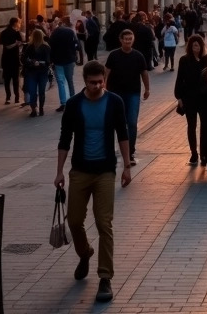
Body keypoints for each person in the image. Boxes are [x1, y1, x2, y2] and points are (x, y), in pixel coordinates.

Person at [55, 61, 132, 304]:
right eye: (92, 82)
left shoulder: (114, 102)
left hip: (105, 172)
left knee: (104, 223)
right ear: (84, 81)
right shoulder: (74, 105)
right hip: (79, 171)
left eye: (101, 81)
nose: (97, 86)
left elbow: (123, 133)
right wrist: (59, 172)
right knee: (75, 221)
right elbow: (65, 138)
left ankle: (105, 278)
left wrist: (127, 166)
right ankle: (85, 253)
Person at [103, 29, 150, 167]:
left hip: (133, 93)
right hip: (115, 94)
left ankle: (130, 152)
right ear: (121, 40)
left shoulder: (138, 56)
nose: (128, 41)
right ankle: (111, 150)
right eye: (126, 39)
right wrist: (104, 86)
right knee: (115, 123)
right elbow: (106, 72)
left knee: (132, 122)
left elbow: (144, 73)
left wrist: (147, 89)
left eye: (130, 39)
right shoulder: (114, 55)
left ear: (133, 39)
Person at [175, 36, 207, 165]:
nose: (197, 48)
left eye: (198, 45)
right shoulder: (184, 60)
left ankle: (204, 153)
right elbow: (179, 79)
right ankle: (194, 153)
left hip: (204, 97)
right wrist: (179, 97)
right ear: (190, 47)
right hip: (189, 97)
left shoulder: (206, 60)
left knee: (205, 126)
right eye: (194, 45)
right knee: (191, 126)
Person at [49, 18, 85, 112]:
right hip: (69, 59)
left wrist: (51, 60)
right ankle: (72, 100)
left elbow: (51, 47)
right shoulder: (70, 32)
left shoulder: (54, 34)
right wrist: (77, 57)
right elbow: (77, 45)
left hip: (58, 60)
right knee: (70, 80)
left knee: (61, 82)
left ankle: (63, 103)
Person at [22, 28, 52, 116]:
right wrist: (39, 63)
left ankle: (34, 109)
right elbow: (48, 61)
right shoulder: (46, 47)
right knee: (41, 91)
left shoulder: (29, 47)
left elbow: (24, 59)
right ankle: (41, 109)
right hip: (42, 72)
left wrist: (32, 62)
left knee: (32, 91)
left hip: (32, 72)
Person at [0, 17, 24, 105]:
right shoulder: (16, 33)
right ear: (15, 23)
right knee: (15, 79)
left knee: (7, 79)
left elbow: (4, 45)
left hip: (5, 58)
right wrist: (16, 44)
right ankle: (16, 97)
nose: (19, 24)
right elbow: (16, 44)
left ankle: (8, 97)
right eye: (18, 22)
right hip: (14, 58)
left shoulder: (3, 32)